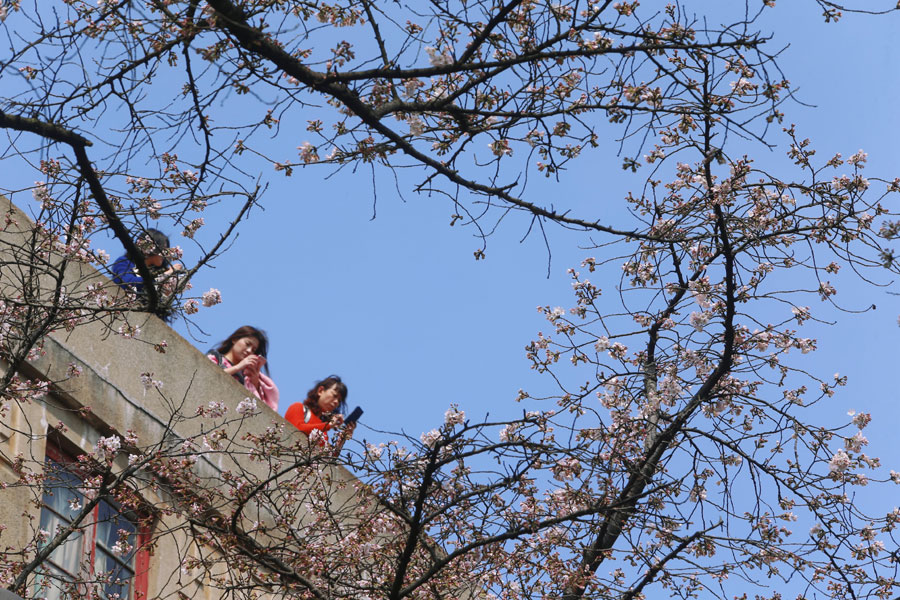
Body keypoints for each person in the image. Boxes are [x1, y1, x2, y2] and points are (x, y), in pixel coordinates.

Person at [207, 326, 279, 411]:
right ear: (234, 339)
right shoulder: (215, 357)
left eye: (253, 350)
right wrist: (238, 367)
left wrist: (255, 382)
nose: (249, 351)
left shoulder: (246, 376)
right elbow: (208, 375)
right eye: (247, 344)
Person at [285, 376, 354, 447]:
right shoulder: (298, 407)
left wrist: (342, 439)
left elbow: (326, 457)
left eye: (339, 400)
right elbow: (295, 429)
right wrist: (328, 425)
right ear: (320, 391)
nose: (336, 402)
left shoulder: (324, 431)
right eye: (334, 395)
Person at [110, 228, 182, 296]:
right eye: (162, 249)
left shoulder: (158, 271)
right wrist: (164, 276)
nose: (165, 254)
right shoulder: (124, 262)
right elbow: (128, 284)